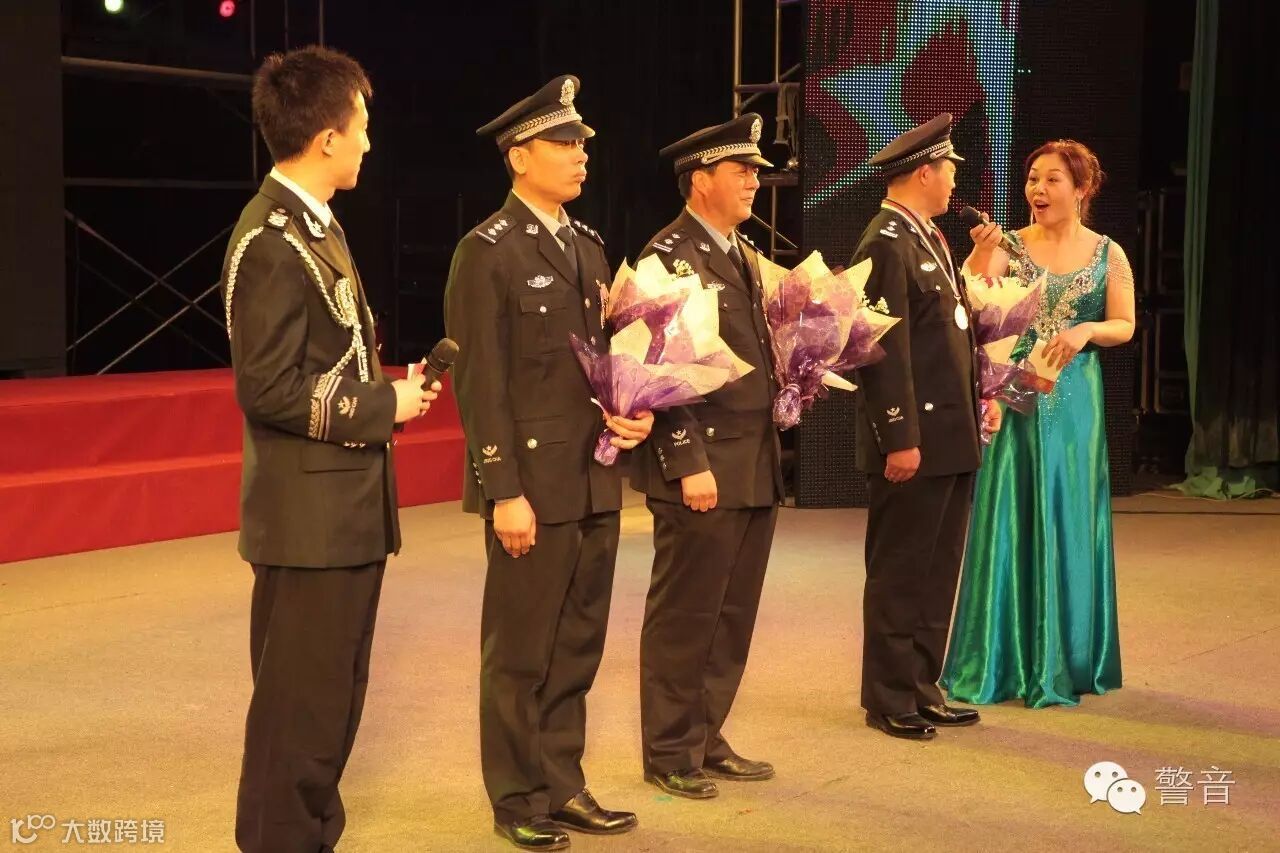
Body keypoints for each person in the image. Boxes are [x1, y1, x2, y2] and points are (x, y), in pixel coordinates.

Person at [224, 46, 437, 852]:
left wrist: (390, 394)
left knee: (331, 708)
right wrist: (383, 404)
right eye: (362, 126)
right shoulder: (271, 239)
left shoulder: (316, 224)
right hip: (307, 524)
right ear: (326, 138)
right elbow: (267, 387)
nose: (369, 142)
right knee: (298, 716)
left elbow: (328, 354)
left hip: (341, 514)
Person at [443, 75, 652, 851]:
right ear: (518, 156)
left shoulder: (588, 247)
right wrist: (503, 490)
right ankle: (516, 796)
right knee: (520, 651)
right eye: (564, 142)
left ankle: (563, 782)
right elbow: (481, 384)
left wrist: (636, 408)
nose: (580, 154)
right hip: (531, 486)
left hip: (593, 477)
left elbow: (606, 363)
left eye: (582, 142)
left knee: (577, 645)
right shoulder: (487, 252)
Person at [942, 139, 1134, 708]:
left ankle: (1069, 657)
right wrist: (980, 255)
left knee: (1070, 511)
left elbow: (1123, 324)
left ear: (1082, 189)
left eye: (1052, 180)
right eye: (1032, 179)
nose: (1038, 190)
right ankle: (996, 659)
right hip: (1018, 389)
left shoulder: (1108, 253)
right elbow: (972, 306)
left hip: (1075, 399)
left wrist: (1086, 330)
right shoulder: (1011, 244)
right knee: (1009, 507)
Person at [630, 114, 784, 799]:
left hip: (752, 460)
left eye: (754, 171)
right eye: (740, 170)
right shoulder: (667, 256)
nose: (753, 181)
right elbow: (656, 369)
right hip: (704, 464)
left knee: (731, 612)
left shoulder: (741, 250)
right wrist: (687, 460)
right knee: (686, 614)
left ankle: (704, 733)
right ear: (700, 180)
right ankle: (669, 750)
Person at [850, 113, 1000, 741]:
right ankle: (888, 696)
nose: (954, 182)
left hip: (950, 435)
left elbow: (947, 340)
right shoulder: (886, 241)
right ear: (923, 173)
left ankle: (921, 684)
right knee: (902, 569)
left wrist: (980, 397)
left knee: (938, 570)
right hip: (916, 440)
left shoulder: (926, 235)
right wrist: (900, 437)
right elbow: (884, 354)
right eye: (949, 170)